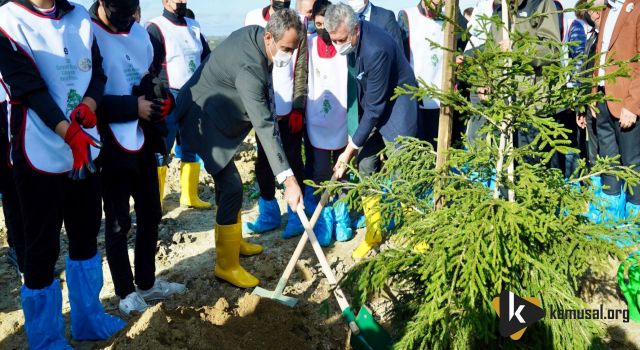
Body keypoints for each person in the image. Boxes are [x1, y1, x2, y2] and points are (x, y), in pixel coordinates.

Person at [0, 0, 126, 347]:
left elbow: (97, 72)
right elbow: (28, 88)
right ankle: (46, 338)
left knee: (86, 233)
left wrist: (89, 104)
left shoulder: (79, 17)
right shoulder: (9, 19)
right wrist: (68, 133)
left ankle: (88, 319)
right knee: (41, 246)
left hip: (85, 143)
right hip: (39, 149)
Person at [176, 9, 305, 288]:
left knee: (230, 186)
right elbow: (264, 125)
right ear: (269, 36)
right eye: (285, 48)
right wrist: (289, 179)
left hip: (213, 112)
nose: (289, 56)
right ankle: (226, 264)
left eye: (293, 50)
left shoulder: (257, 37)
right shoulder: (251, 70)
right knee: (233, 186)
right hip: (201, 119)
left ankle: (233, 243)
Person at [91, 0, 186, 316]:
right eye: (118, 14)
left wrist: (163, 99)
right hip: (110, 143)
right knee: (118, 221)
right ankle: (125, 291)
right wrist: (133, 107)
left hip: (143, 138)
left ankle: (146, 282)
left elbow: (152, 75)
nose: (124, 22)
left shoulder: (139, 34)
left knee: (151, 212)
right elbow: (86, 97)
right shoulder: (87, 33)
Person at [324, 4, 418, 258]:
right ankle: (374, 231)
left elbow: (376, 110)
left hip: (398, 104)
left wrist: (346, 153)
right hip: (375, 102)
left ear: (355, 30)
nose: (337, 45)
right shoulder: (352, 40)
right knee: (365, 163)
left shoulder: (376, 48)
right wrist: (356, 147)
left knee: (403, 169)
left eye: (342, 39)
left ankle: (417, 234)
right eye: (333, 40)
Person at [243, 0, 308, 239]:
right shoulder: (252, 19)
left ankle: (295, 216)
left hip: (288, 107)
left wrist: (298, 107)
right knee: (263, 162)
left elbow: (301, 68)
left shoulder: (296, 25)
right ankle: (268, 214)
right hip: (262, 108)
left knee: (292, 160)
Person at [147, 0, 212, 210]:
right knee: (161, 147)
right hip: (168, 95)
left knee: (190, 144)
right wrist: (159, 94)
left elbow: (207, 57)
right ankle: (155, 199)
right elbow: (149, 65)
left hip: (193, 94)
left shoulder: (194, 26)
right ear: (165, 1)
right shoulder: (155, 27)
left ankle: (189, 195)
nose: (182, 2)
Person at [304, 0, 353, 246]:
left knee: (342, 170)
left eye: (327, 24)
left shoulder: (344, 46)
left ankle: (343, 216)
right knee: (321, 171)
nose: (323, 29)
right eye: (318, 24)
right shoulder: (309, 45)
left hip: (342, 119)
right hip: (317, 120)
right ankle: (324, 217)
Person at [591, 0, 640, 224]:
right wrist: (593, 94)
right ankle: (610, 225)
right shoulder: (606, 10)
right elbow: (600, 55)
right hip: (603, 98)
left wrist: (633, 104)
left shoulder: (637, 7)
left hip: (626, 102)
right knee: (608, 162)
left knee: (632, 165)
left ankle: (633, 227)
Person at [398, 0, 445, 144]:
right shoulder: (407, 16)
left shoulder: (449, 19)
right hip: (415, 95)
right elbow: (401, 55)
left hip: (442, 95)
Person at [0, 78, 24, 274]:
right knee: (9, 186)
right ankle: (17, 247)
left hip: (11, 99)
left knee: (17, 183)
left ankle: (22, 247)